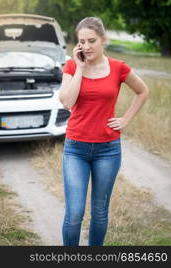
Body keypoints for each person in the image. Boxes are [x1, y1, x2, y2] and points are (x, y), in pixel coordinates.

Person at [58, 17, 149, 246]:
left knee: (99, 212)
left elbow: (142, 91)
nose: (87, 46)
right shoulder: (71, 66)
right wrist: (79, 67)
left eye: (92, 41)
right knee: (75, 213)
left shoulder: (119, 68)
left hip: (108, 150)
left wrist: (126, 119)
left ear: (103, 40)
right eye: (82, 42)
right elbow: (67, 102)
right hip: (76, 148)